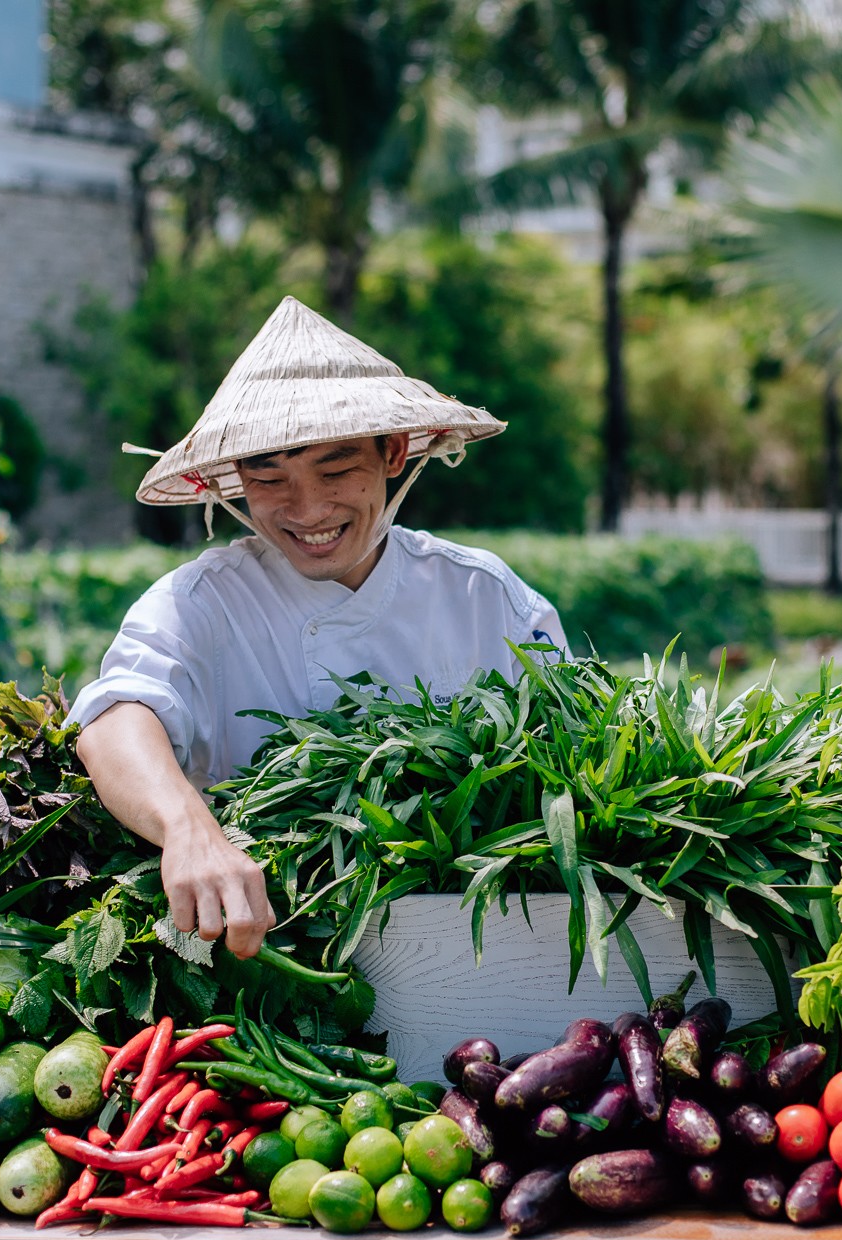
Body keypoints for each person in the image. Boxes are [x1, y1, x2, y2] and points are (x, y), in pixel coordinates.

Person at [72, 296, 567, 961]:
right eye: (268, 477)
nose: (307, 510)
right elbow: (114, 722)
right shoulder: (199, 604)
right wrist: (191, 829)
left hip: (472, 951)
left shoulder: (485, 598)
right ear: (235, 480)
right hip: (269, 959)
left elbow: (570, 762)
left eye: (335, 469)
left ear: (392, 452)